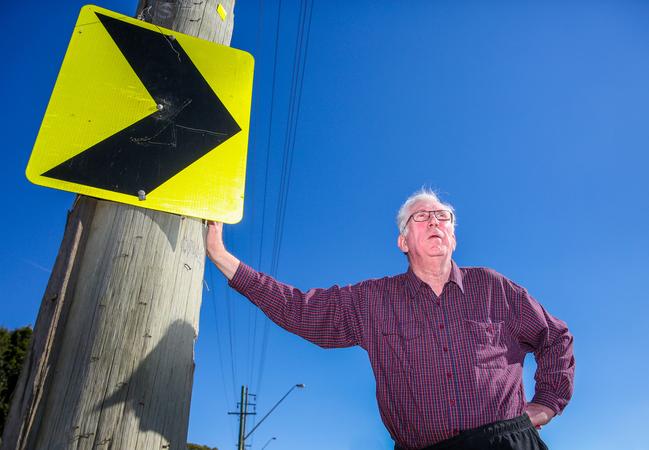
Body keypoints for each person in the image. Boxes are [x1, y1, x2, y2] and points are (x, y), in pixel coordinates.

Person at [206, 188, 575, 450]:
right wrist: (223, 259)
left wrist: (547, 403)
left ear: (453, 236)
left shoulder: (494, 287)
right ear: (403, 241)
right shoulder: (372, 299)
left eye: (443, 216)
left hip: (505, 442)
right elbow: (299, 308)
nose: (435, 220)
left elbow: (555, 337)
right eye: (422, 216)